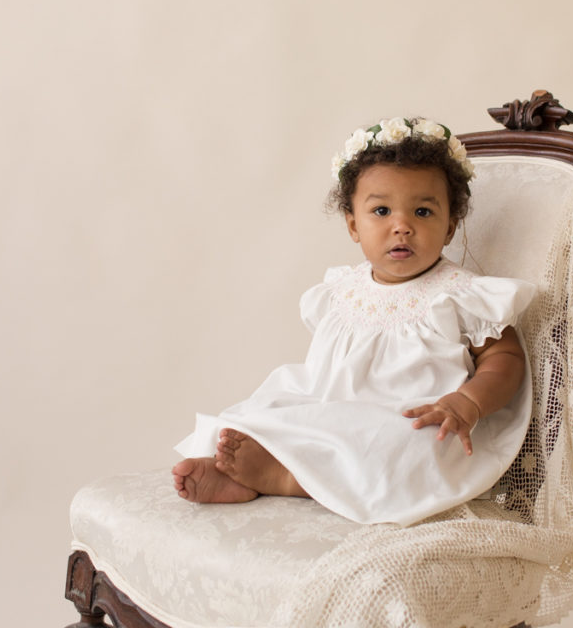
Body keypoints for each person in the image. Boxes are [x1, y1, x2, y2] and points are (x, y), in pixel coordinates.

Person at [171, 117, 536, 525]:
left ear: (450, 227)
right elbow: (325, 380)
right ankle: (243, 468)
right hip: (332, 407)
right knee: (268, 409)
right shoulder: (342, 289)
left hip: (413, 417)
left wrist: (468, 401)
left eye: (423, 211)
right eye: (381, 211)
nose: (402, 226)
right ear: (353, 226)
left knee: (399, 449)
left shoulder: (461, 294)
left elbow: (505, 359)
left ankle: (287, 476)